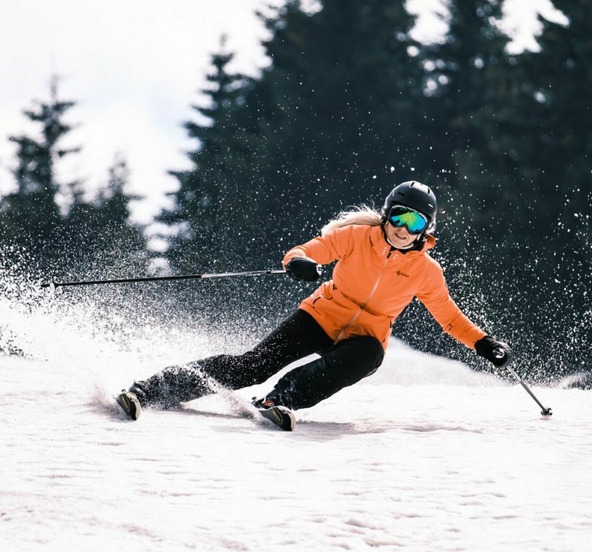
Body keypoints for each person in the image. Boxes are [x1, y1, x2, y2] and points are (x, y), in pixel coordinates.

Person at [117, 181, 512, 430]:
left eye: (416, 223)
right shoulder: (358, 237)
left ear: (427, 230)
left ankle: (280, 400)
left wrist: (483, 343)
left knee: (369, 355)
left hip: (363, 336)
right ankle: (151, 390)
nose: (403, 229)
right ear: (385, 216)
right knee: (251, 365)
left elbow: (448, 317)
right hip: (321, 316)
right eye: (398, 217)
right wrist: (300, 262)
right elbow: (311, 249)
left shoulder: (426, 271)